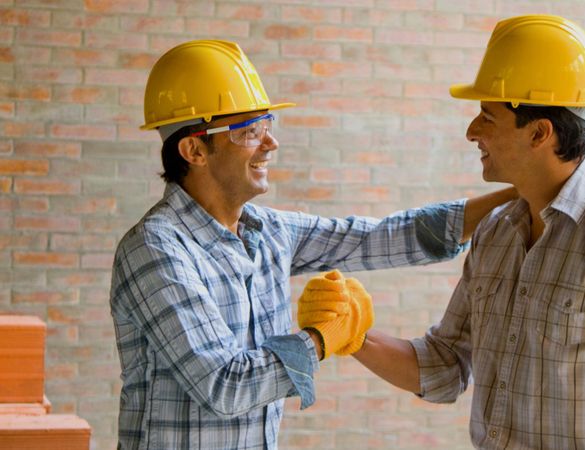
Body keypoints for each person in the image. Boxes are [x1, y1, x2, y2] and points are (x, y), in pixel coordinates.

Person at [298, 15, 585, 449]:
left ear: (539, 132)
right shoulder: (496, 233)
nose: (471, 132)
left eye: (487, 117)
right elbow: (444, 368)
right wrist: (354, 336)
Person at [109, 39, 516, 449]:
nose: (270, 144)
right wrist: (322, 338)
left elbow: (380, 237)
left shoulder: (267, 233)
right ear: (194, 149)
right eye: (250, 131)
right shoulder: (157, 250)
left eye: (268, 125)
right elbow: (224, 385)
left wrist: (519, 194)